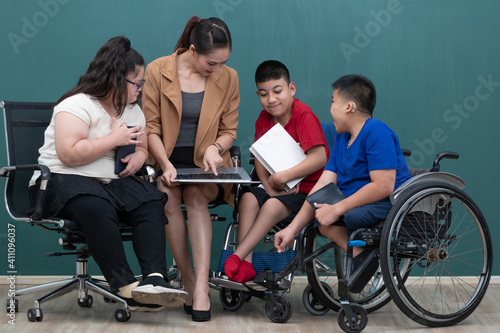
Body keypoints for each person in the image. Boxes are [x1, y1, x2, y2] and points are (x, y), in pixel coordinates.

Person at [30, 36, 188, 312]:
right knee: (96, 206)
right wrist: (114, 139)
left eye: (142, 83)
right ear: (116, 79)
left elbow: (142, 145)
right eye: (136, 83)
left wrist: (138, 158)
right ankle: (125, 286)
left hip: (109, 182)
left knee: (150, 201)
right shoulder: (76, 105)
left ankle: (154, 280)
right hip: (61, 179)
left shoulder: (132, 109)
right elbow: (68, 153)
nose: (141, 88)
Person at [274, 74, 412, 293]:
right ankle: (361, 258)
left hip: (389, 200)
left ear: (349, 107)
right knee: (322, 213)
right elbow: (324, 184)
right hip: (357, 201)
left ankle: (361, 259)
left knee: (345, 215)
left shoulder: (376, 131)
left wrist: (337, 208)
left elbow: (383, 186)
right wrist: (293, 229)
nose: (330, 109)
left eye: (332, 102)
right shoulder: (342, 139)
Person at [142, 16, 239, 321]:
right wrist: (166, 164)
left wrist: (216, 147)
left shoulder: (229, 78)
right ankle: (189, 278)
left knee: (196, 198)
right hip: (167, 160)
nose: (217, 69)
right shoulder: (158, 70)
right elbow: (151, 128)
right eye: (212, 63)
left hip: (206, 164)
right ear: (193, 50)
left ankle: (200, 289)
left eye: (223, 62)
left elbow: (229, 129)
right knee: (167, 198)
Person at [224, 60, 329, 283]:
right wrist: (270, 188)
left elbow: (320, 158)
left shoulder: (303, 116)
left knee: (271, 206)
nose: (271, 99)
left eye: (277, 91)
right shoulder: (264, 119)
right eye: (264, 94)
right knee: (249, 198)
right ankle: (248, 265)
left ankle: (237, 255)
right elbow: (260, 158)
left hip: (307, 192)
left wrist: (286, 176)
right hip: (278, 187)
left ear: (291, 88)